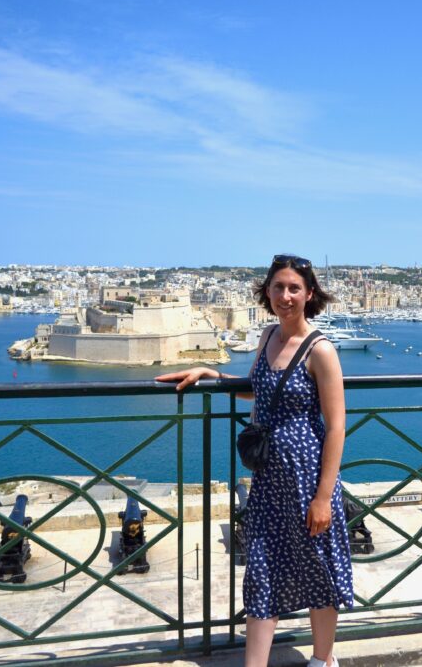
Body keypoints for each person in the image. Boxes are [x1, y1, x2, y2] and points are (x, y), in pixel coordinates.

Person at [156, 254, 353, 667]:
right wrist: (211, 373)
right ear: (267, 291)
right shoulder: (267, 337)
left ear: (309, 294)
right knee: (262, 567)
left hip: (306, 478)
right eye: (278, 287)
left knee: (317, 566)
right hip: (268, 479)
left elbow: (336, 427)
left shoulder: (321, 350)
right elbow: (258, 389)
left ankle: (323, 660)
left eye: (294, 288)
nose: (285, 296)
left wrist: (323, 497)